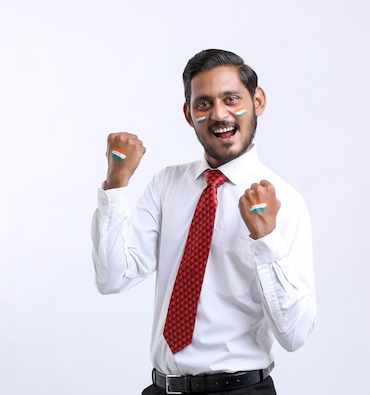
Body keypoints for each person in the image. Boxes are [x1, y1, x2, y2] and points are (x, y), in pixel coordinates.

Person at [90, 49, 316, 395]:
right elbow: (112, 278)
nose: (219, 114)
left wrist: (266, 238)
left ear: (257, 101)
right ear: (188, 113)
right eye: (204, 103)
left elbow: (294, 334)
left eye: (231, 99)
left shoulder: (285, 202)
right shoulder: (167, 185)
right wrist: (116, 184)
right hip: (163, 388)